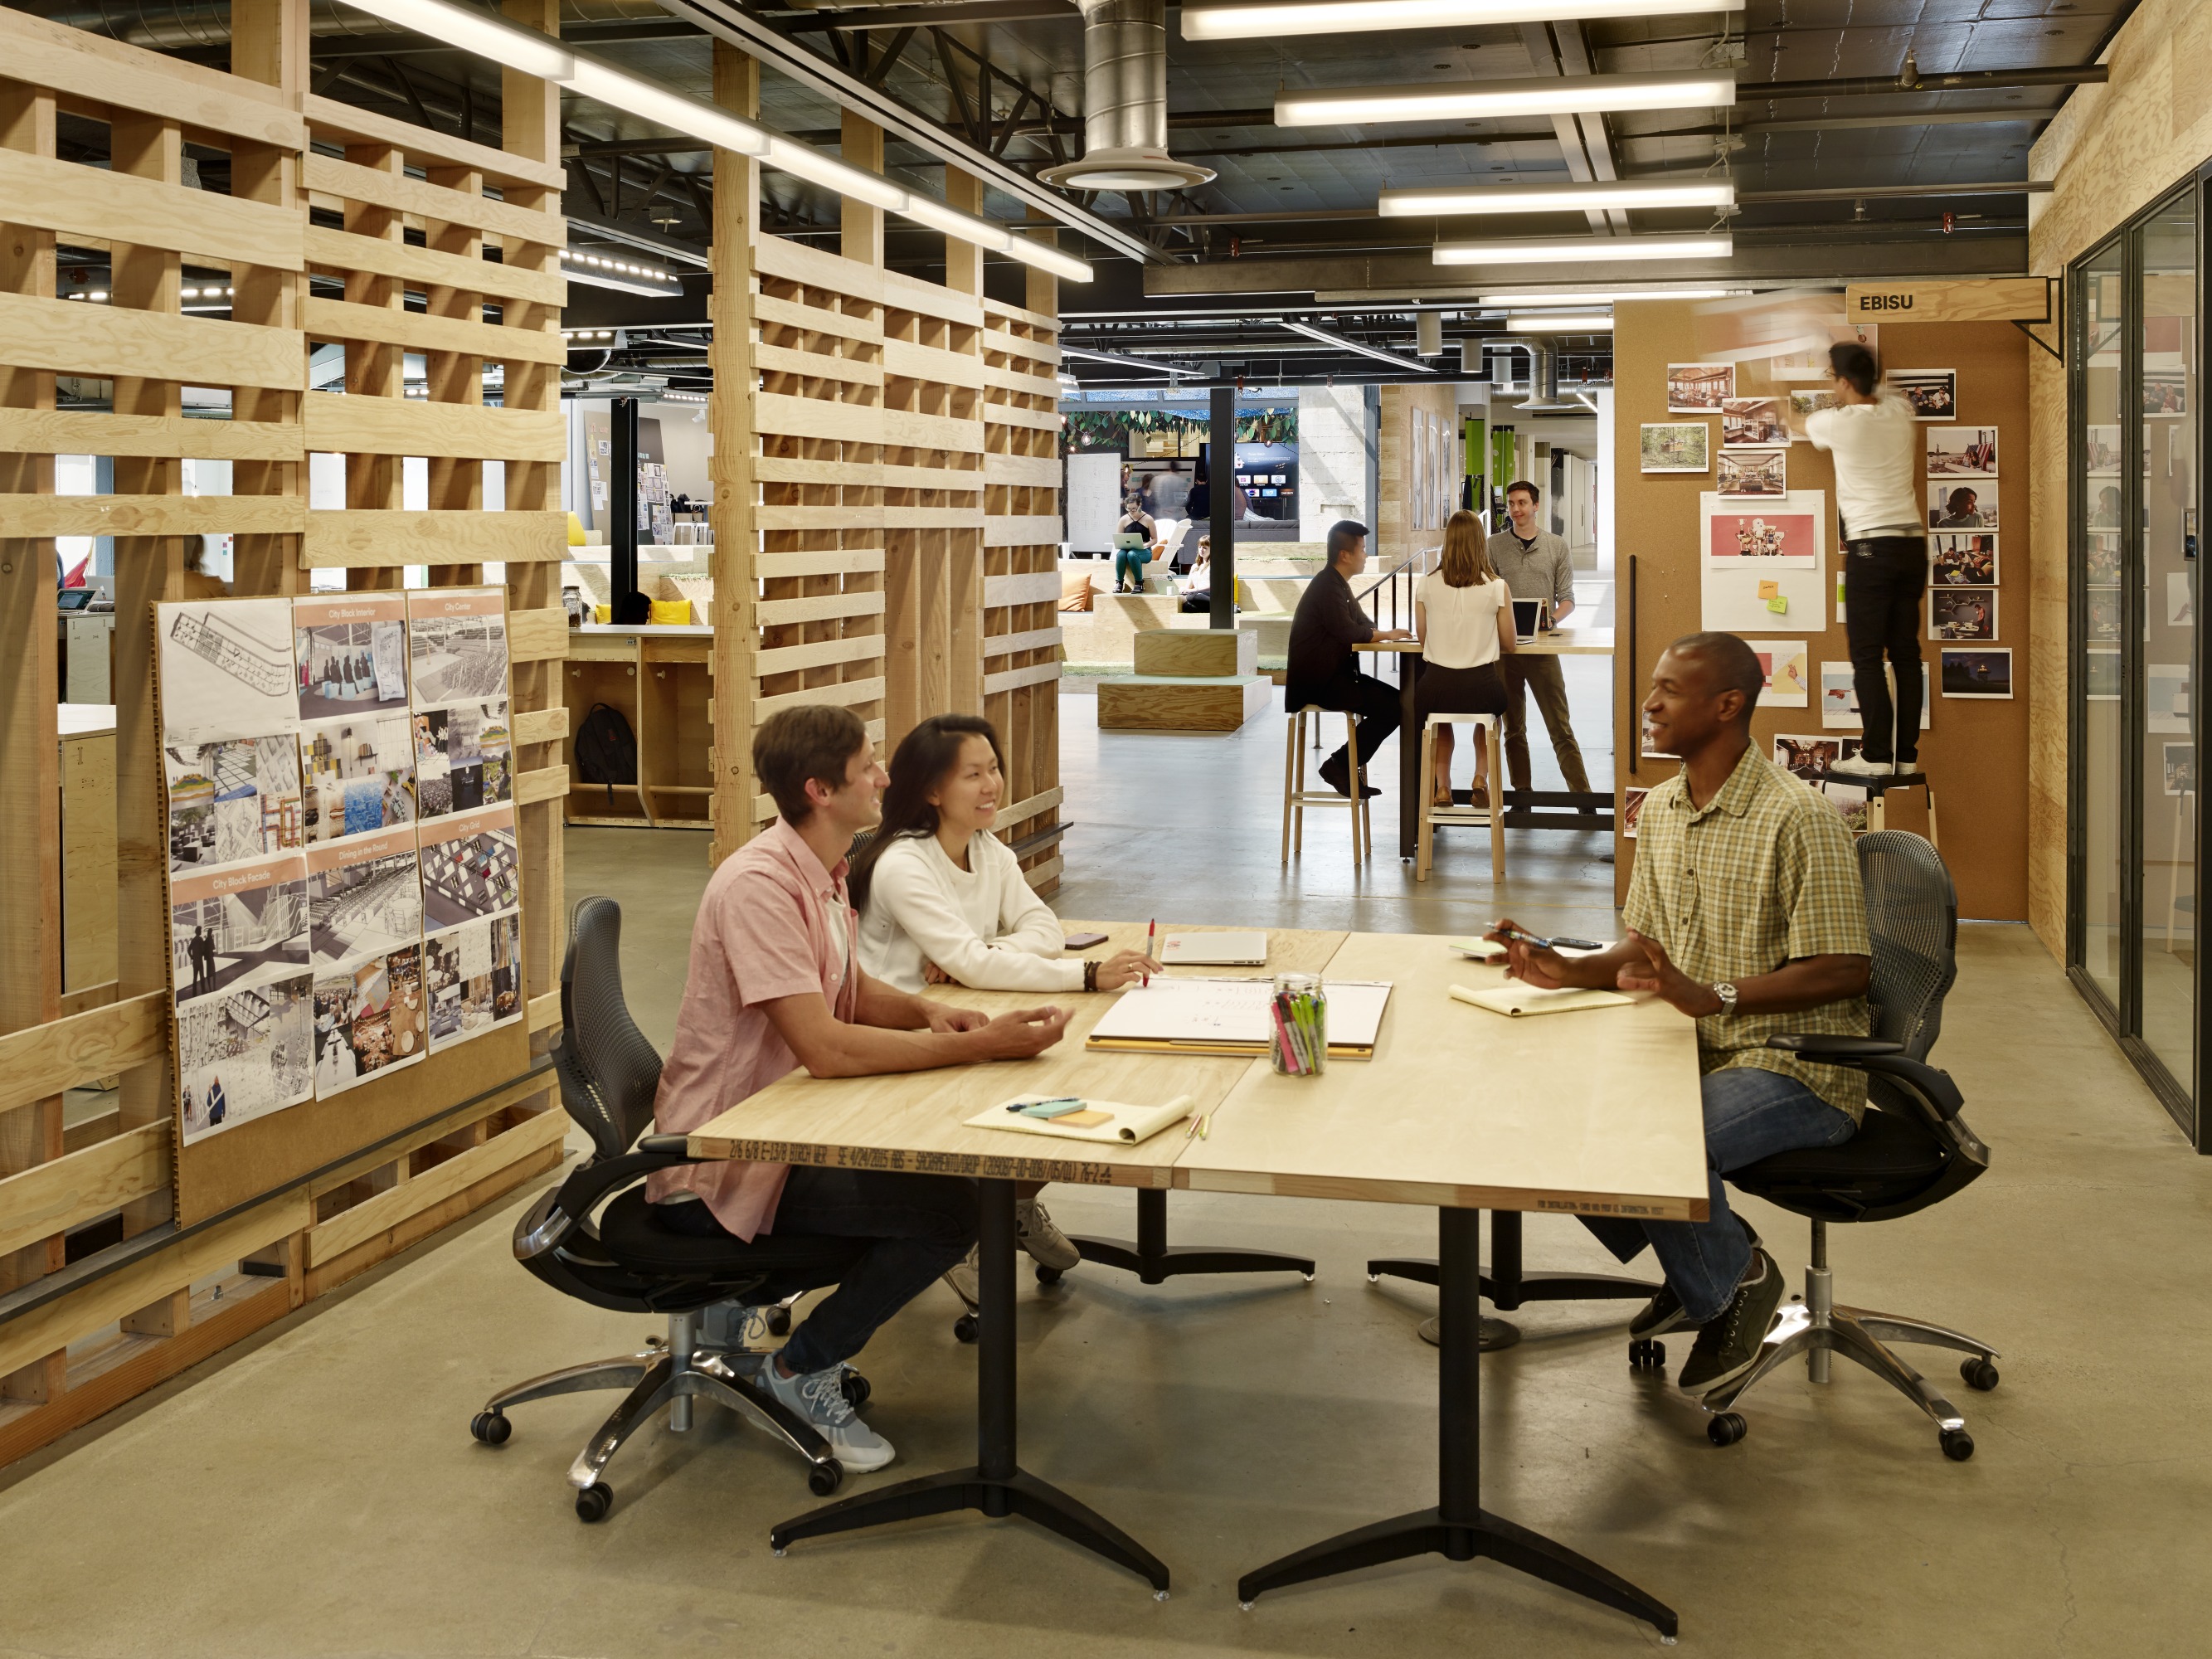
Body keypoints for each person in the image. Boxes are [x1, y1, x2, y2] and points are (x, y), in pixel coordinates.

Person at [649, 704, 1072, 1475]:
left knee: (947, 1181)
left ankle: (774, 1336)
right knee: (949, 1209)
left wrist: (928, 1013)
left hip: (785, 1124)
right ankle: (800, 1367)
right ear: (818, 789)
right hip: (725, 1159)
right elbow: (827, 1045)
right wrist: (976, 1047)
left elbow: (846, 986)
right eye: (867, 768)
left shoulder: (826, 869)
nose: (884, 777)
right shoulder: (759, 887)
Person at [1490, 631, 1871, 1395]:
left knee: (1647, 1140)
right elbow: (1649, 948)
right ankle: (1710, 1259)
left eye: (1668, 689)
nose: (1649, 703)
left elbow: (1844, 967)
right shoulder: (1659, 808)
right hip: (1689, 1045)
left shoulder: (1800, 816)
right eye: (1651, 688)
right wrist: (1569, 971)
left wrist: (1716, 995)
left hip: (1796, 1063)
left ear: (1727, 705)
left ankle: (1734, 1285)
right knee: (1559, 1116)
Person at [852, 713, 1161, 1292]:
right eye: (973, 774)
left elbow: (1041, 928)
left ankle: (1010, 1205)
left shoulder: (986, 847)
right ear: (931, 790)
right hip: (903, 1028)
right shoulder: (903, 864)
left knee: (1074, 1080)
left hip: (966, 1009)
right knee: (1046, 1087)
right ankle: (968, 1229)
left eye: (993, 768)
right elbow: (976, 966)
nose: (991, 784)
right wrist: (1087, 974)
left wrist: (983, 951)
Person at [1804, 343, 1928, 781]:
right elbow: (1881, 383)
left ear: (1841, 382)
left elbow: (1793, 420)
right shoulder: (1900, 412)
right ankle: (1905, 753)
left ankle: (1877, 753)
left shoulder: (1837, 423)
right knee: (1907, 655)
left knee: (1868, 657)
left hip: (1871, 549)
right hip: (1913, 546)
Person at [1286, 518, 1413, 799]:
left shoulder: (1337, 584)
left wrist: (1386, 634)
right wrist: (1387, 634)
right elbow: (1348, 631)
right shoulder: (1328, 587)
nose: (1366, 555)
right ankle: (1339, 765)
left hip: (1335, 676)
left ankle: (1340, 764)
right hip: (1319, 683)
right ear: (1346, 555)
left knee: (1401, 703)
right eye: (1363, 550)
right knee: (1394, 708)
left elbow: (1361, 622)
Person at [1485, 481, 1594, 802]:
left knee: (1560, 727)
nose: (1516, 510)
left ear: (1536, 506)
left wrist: (1552, 619)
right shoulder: (1494, 545)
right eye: (1511, 504)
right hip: (1505, 650)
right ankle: (1522, 795)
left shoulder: (1556, 546)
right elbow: (1486, 592)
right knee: (1513, 729)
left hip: (1543, 649)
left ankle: (1584, 799)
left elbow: (1568, 599)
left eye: (1522, 503)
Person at [1414, 508, 1515, 809]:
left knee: (1440, 719)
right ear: (1480, 543)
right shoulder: (1497, 586)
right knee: (1489, 718)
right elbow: (1509, 642)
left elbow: (1423, 638)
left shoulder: (1426, 584)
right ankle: (1480, 778)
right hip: (1481, 687)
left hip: (1435, 687)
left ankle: (1443, 787)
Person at [1112, 497, 1155, 594]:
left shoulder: (1148, 519)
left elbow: (1155, 539)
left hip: (1145, 551)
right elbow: (1118, 538)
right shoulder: (1123, 520)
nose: (1131, 511)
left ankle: (1139, 583)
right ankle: (1119, 583)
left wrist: (1146, 545)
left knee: (1132, 554)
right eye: (1128, 509)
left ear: (1139, 505)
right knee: (1121, 555)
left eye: (1134, 509)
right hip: (1126, 549)